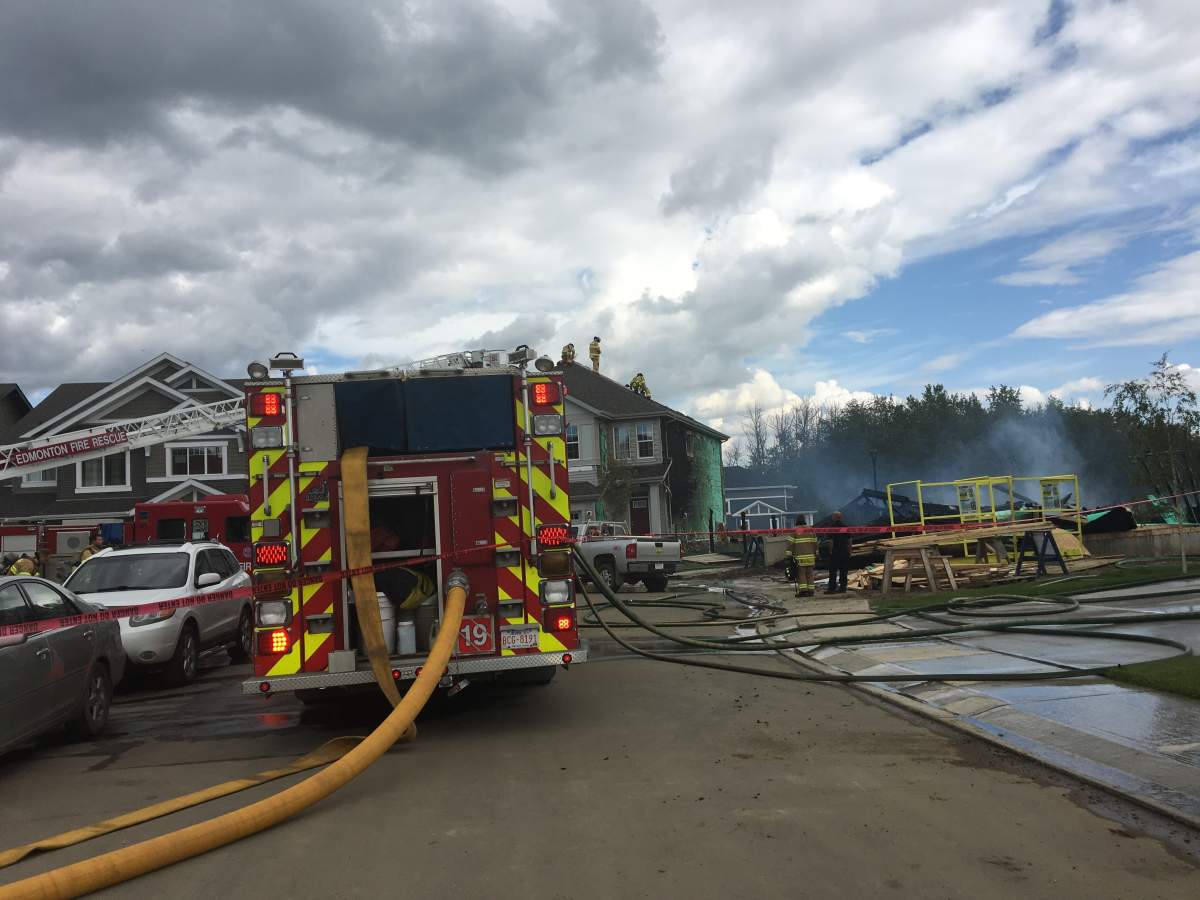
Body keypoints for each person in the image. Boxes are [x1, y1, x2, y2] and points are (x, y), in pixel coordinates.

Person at [786, 518, 818, 598]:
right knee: (810, 574)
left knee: (801, 574)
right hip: (810, 556)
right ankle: (811, 591)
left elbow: (790, 544)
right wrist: (816, 553)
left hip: (800, 557)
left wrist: (789, 555)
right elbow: (815, 543)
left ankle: (804, 591)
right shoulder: (811, 530)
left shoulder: (795, 530)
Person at [825, 511, 852, 594]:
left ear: (834, 517)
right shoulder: (845, 527)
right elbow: (849, 540)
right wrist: (849, 550)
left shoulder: (832, 527)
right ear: (841, 517)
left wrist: (830, 550)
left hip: (835, 552)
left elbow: (831, 541)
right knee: (844, 571)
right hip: (844, 551)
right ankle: (843, 588)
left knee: (833, 571)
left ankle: (832, 589)